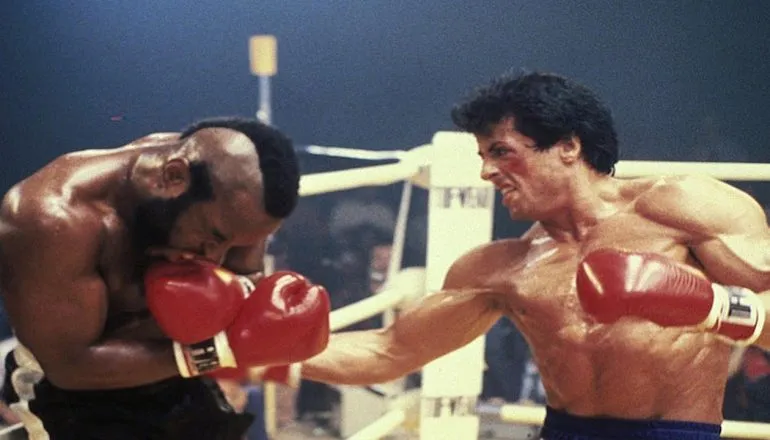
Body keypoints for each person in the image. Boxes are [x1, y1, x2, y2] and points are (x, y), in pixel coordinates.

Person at [259, 71, 770, 440]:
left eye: (501, 152)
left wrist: (712, 307)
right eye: (483, 156)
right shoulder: (499, 268)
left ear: (568, 147)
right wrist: (249, 350)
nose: (486, 172)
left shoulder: (684, 208)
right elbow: (389, 350)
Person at [0, 117, 331, 439]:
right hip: (71, 395)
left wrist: (238, 315)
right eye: (213, 237)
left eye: (233, 243)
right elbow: (70, 366)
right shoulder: (53, 220)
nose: (214, 258)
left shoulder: (232, 197)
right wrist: (219, 351)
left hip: (174, 370)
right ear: (173, 178)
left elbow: (243, 278)